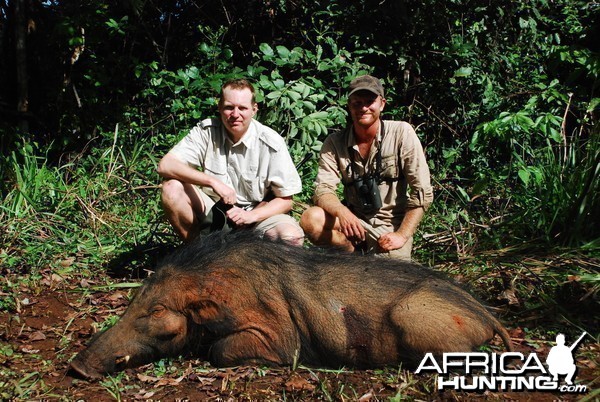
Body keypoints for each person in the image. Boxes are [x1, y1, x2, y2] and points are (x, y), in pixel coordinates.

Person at [300, 74, 433, 260]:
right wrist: (343, 213)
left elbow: (422, 192)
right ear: (349, 105)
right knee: (310, 219)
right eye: (357, 102)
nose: (363, 108)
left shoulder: (401, 133)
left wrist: (402, 235)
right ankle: (349, 252)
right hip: (353, 221)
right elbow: (323, 190)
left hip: (390, 224)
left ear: (382, 104)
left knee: (390, 276)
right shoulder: (334, 142)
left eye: (370, 101)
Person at [158, 78, 304, 245]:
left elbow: (286, 200)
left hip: (258, 216)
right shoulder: (206, 132)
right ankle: (198, 255)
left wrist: (251, 216)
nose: (235, 114)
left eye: (242, 108)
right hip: (214, 211)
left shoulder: (271, 141)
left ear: (254, 110)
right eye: (229, 107)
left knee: (290, 237)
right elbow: (165, 165)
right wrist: (212, 182)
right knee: (171, 188)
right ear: (219, 108)